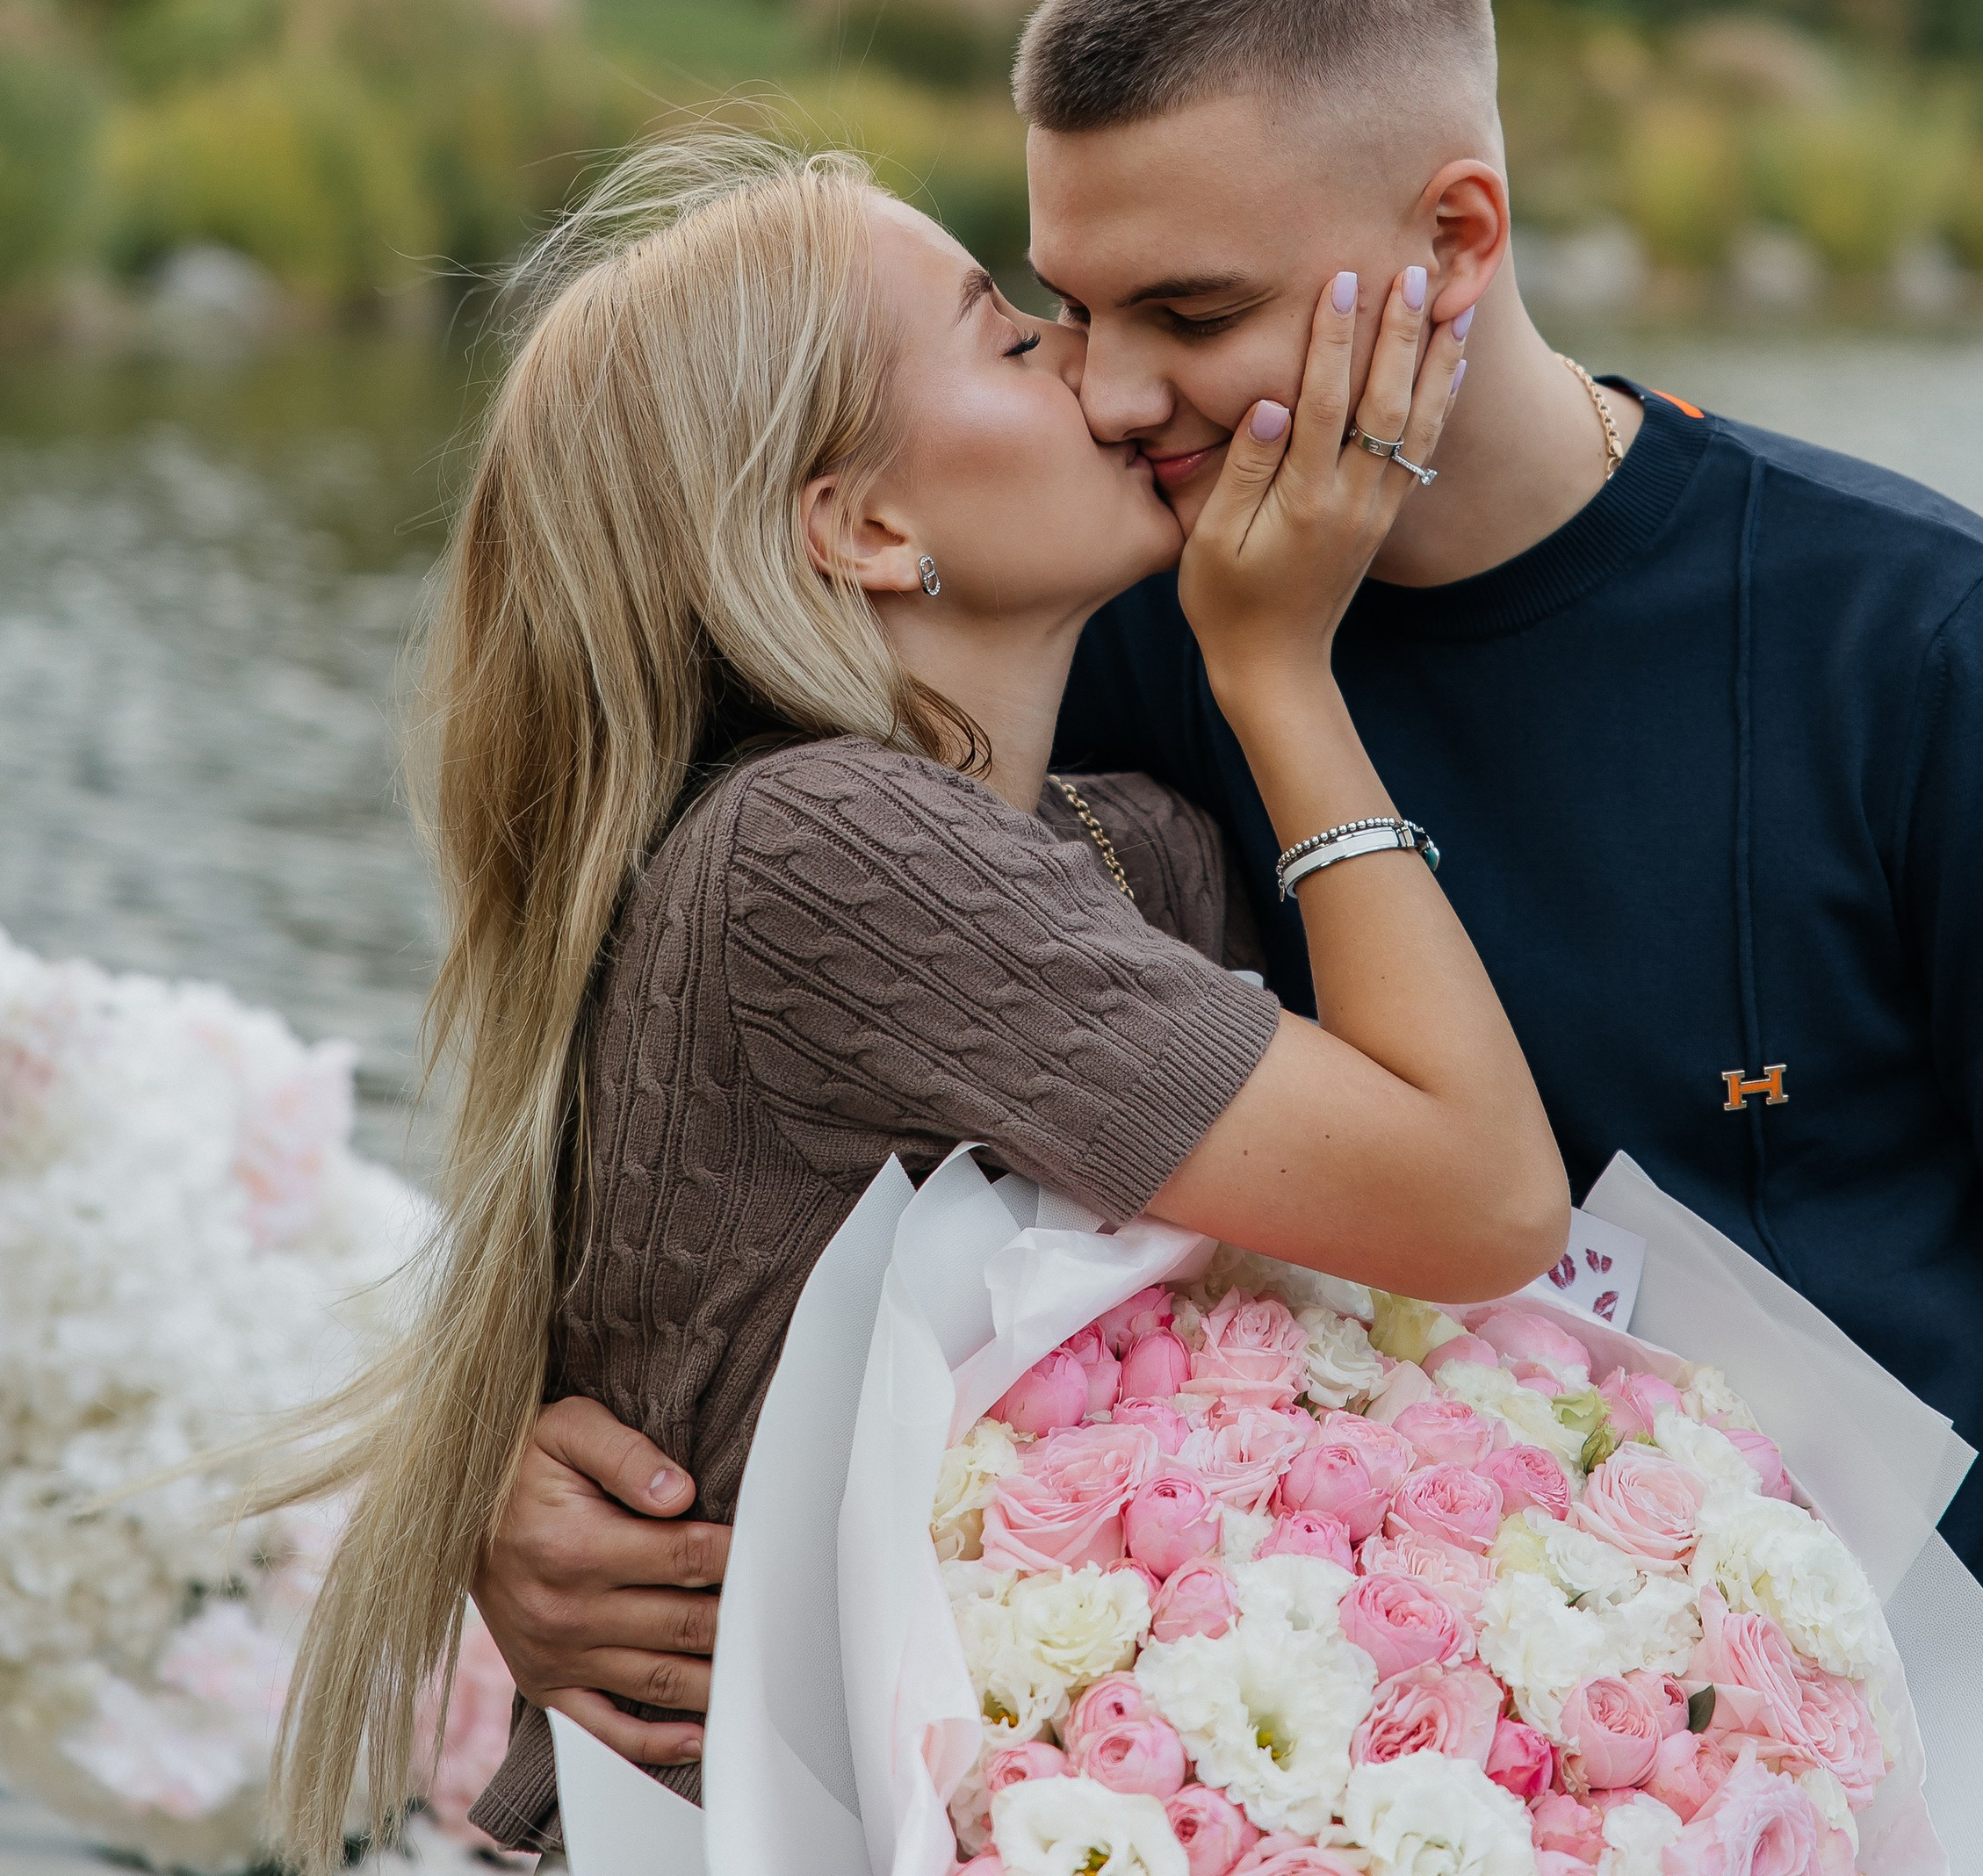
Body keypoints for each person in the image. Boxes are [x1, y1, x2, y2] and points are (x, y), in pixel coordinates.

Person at [487, 0, 1983, 1876]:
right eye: (1063, 309)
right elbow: (682, 1111)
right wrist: (514, 1515)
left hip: (1897, 1796)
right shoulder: (1090, 647)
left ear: (1455, 235)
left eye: (1194, 309)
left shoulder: (1922, 648)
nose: (1120, 390)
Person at [272, 133, 1567, 1871]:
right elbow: (1480, 1203)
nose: (1100, 376)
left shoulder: (1122, 847)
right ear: (865, 525)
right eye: (1012, 340)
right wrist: (1273, 667)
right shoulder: (819, 851)